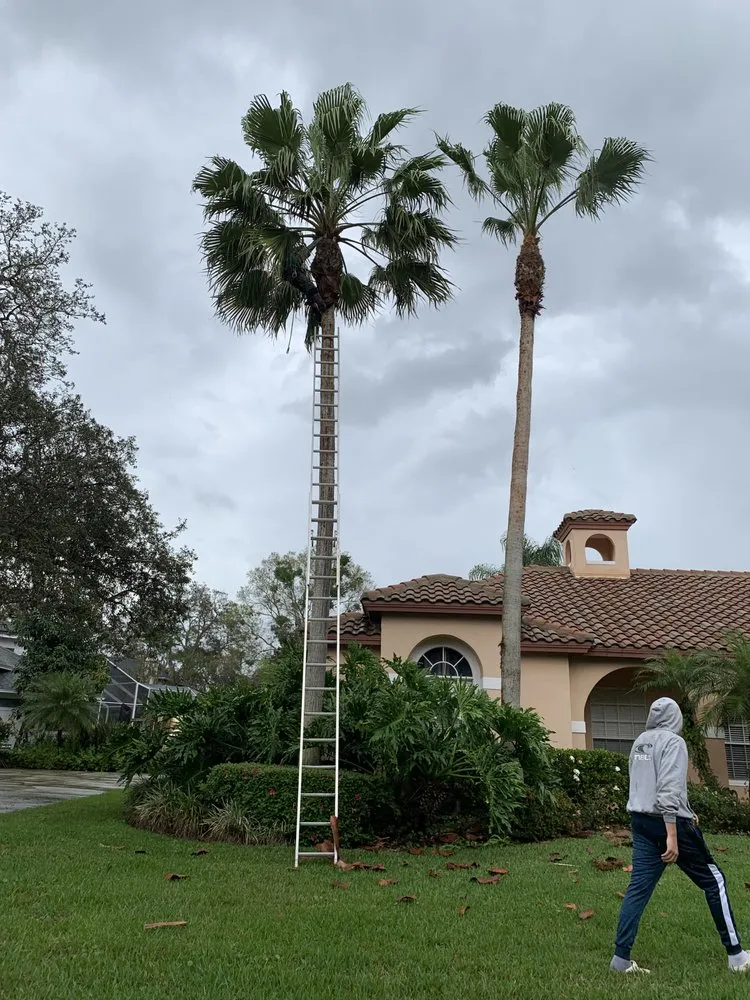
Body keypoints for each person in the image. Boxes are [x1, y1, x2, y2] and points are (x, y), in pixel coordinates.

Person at [611, 696, 750, 974]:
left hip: (640, 822)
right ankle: (737, 957)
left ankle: (620, 960)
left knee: (637, 890)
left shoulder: (640, 742)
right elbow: (668, 788)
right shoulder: (674, 742)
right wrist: (672, 834)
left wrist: (686, 812)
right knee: (715, 881)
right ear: (676, 718)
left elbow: (644, 784)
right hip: (668, 824)